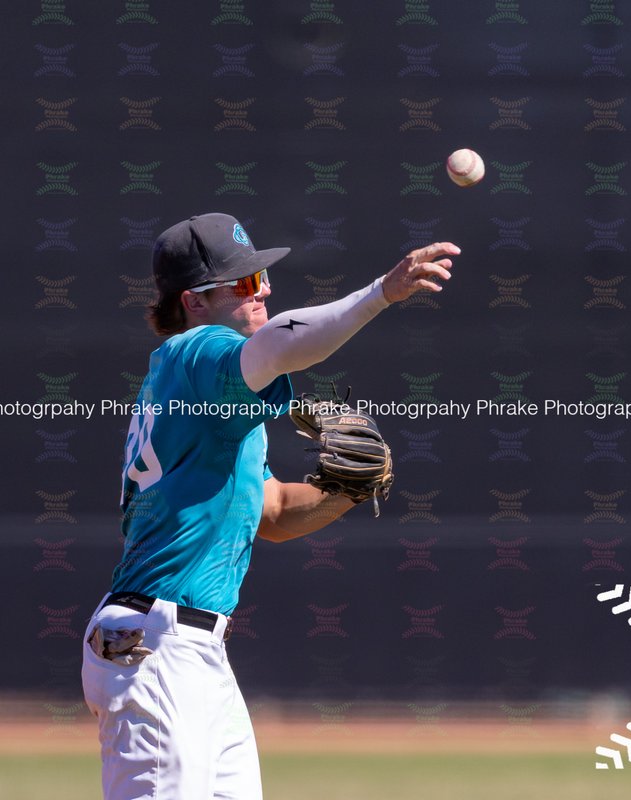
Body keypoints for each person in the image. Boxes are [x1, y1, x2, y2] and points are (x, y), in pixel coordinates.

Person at [82, 212, 460, 799]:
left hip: (191, 651)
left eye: (260, 277)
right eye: (243, 283)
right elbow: (282, 341)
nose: (262, 290)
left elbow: (275, 512)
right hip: (156, 646)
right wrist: (381, 293)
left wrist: (347, 488)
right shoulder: (196, 352)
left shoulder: (217, 399)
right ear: (194, 301)